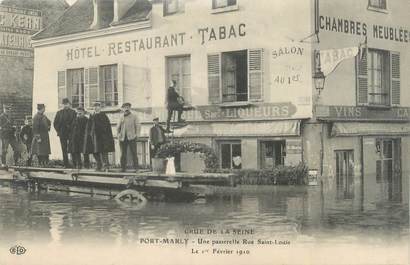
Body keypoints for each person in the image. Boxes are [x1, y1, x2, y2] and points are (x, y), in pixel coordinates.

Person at [85, 102, 115, 171]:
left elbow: (106, 126)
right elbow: (89, 126)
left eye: (97, 106)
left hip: (102, 137)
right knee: (95, 151)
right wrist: (89, 134)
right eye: (94, 106)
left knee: (103, 151)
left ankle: (106, 166)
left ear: (100, 107)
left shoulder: (103, 115)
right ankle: (99, 165)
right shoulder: (92, 116)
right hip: (93, 137)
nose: (96, 107)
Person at [53, 98, 76, 168]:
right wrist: (59, 131)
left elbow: (75, 122)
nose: (65, 105)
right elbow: (55, 123)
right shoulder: (59, 113)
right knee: (64, 149)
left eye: (67, 104)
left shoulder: (73, 112)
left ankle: (74, 163)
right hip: (62, 134)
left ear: (69, 104)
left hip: (71, 133)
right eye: (64, 104)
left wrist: (71, 128)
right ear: (62, 105)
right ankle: (66, 164)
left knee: (72, 148)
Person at [117, 102, 140, 172]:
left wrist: (137, 135)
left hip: (132, 137)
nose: (126, 109)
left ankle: (136, 168)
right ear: (123, 109)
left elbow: (138, 126)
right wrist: (118, 135)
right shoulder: (121, 117)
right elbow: (118, 127)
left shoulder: (134, 116)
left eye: (128, 107)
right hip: (123, 138)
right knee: (123, 154)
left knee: (134, 153)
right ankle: (123, 168)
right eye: (125, 107)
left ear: (130, 108)